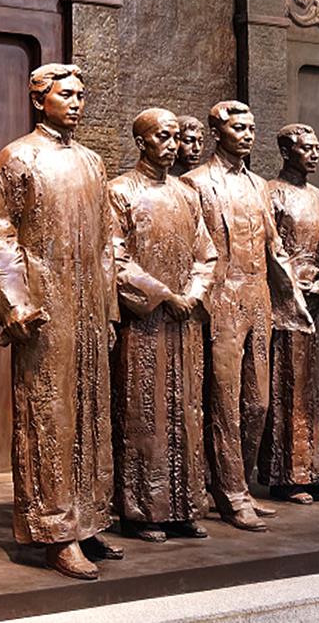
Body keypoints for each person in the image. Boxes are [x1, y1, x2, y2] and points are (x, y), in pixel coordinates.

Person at [0, 63, 123, 581]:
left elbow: (106, 243)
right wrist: (14, 303)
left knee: (90, 413)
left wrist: (108, 308)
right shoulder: (19, 158)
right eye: (67, 95)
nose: (77, 103)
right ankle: (55, 531)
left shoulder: (91, 162)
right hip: (45, 309)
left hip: (88, 306)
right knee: (50, 416)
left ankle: (89, 519)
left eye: (81, 94)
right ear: (40, 100)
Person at [182, 101, 311, 532]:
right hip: (219, 300)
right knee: (223, 400)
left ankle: (241, 484)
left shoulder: (259, 186)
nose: (248, 135)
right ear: (217, 133)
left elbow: (275, 247)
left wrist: (292, 296)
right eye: (239, 128)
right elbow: (191, 250)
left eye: (252, 128)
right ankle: (230, 493)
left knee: (257, 403)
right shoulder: (195, 183)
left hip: (258, 298)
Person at [107, 108, 216, 543]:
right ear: (141, 142)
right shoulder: (120, 192)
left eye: (176, 138)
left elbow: (206, 253)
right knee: (144, 412)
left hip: (184, 321)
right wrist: (163, 295)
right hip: (145, 324)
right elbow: (114, 257)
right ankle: (142, 511)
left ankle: (185, 505)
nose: (172, 146)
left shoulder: (187, 194)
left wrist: (193, 293)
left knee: (187, 410)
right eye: (162, 137)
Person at [258, 124, 319, 505]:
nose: (314, 154)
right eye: (306, 148)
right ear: (285, 151)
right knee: (290, 385)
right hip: (288, 305)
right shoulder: (270, 192)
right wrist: (294, 283)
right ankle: (289, 474)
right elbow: (268, 248)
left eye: (316, 148)